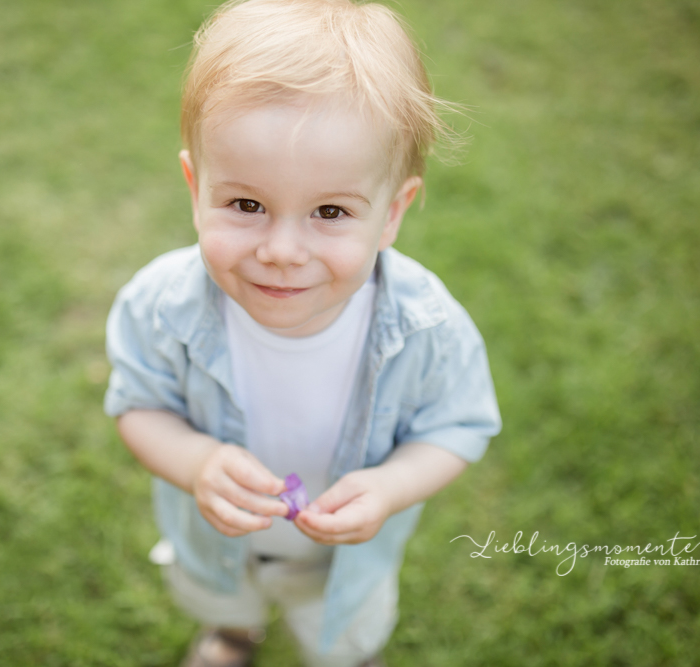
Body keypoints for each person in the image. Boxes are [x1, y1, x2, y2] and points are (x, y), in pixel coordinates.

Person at [104, 1, 501, 665]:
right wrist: (196, 463)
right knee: (223, 598)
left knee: (339, 636)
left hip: (342, 561)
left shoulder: (427, 329)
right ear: (194, 187)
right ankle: (235, 632)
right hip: (217, 540)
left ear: (391, 213)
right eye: (247, 205)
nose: (283, 249)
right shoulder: (159, 308)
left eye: (329, 211)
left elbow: (458, 427)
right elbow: (137, 405)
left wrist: (389, 487)